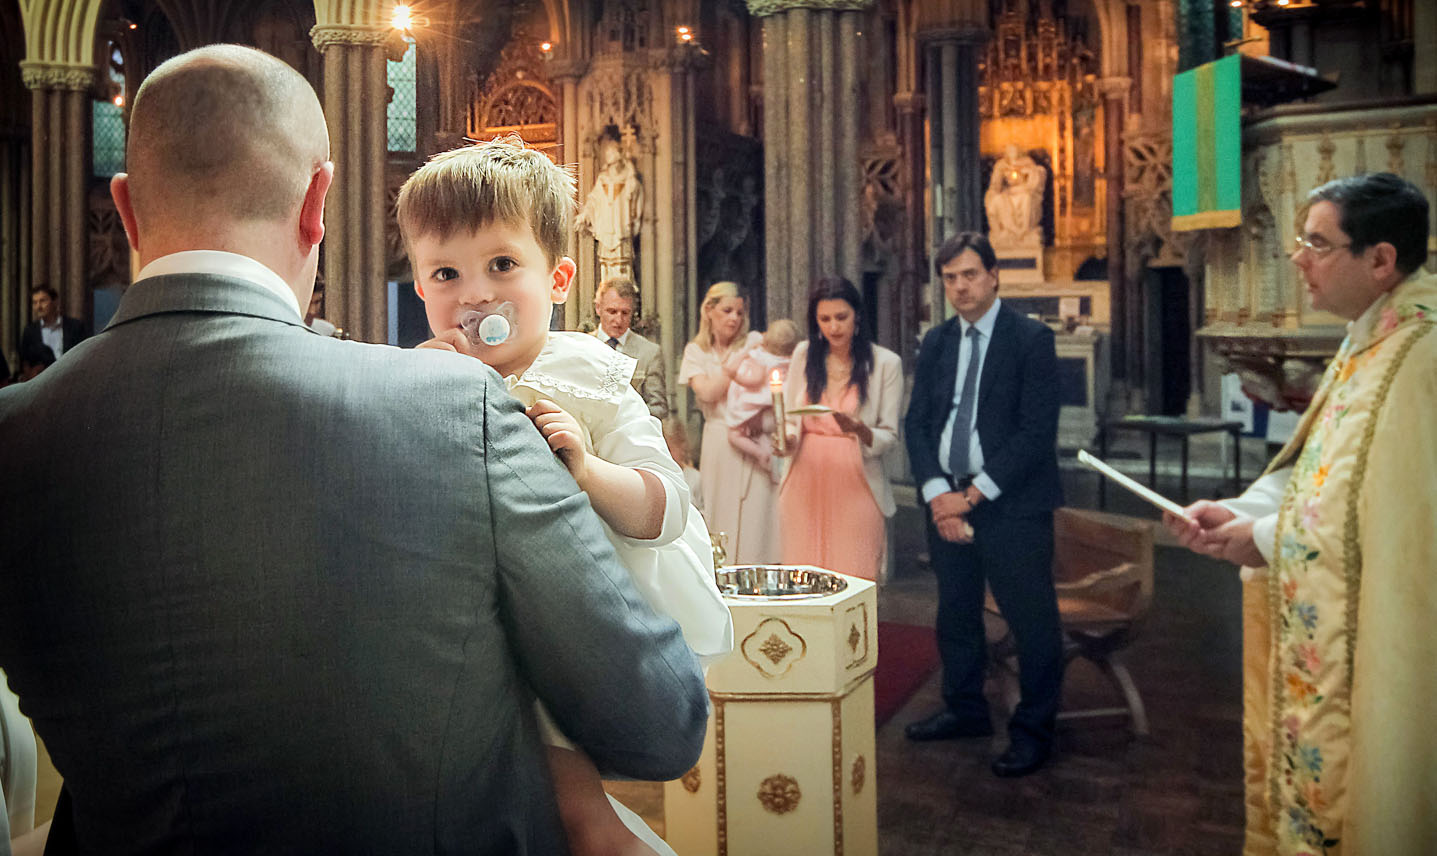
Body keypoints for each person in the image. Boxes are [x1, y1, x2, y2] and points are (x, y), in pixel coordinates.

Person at [0, 45, 708, 855]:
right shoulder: (455, 407)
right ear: (317, 203)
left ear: (126, 210)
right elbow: (659, 722)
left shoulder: (12, 435)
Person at [398, 137, 731, 856]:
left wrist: (585, 469)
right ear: (421, 289)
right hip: (470, 632)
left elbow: (666, 507)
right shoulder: (424, 378)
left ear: (558, 278)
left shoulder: (585, 376)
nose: (476, 293)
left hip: (570, 631)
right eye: (447, 273)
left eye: (503, 265)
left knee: (581, 820)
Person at [1163, 173, 1437, 856]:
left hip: (1382, 652)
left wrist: (1258, 537)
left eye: (1316, 242)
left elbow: (1392, 531)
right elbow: (1318, 472)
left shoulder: (1421, 355)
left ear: (1379, 260)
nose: (1296, 258)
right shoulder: (1365, 337)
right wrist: (1240, 509)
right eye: (1297, 240)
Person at [902, 232, 1064, 778]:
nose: (960, 286)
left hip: (1010, 503)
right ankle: (966, 709)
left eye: (970, 274)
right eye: (950, 277)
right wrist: (936, 496)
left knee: (1032, 619)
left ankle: (1034, 731)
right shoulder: (938, 341)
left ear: (994, 275)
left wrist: (968, 498)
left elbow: (1036, 433)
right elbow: (918, 423)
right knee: (956, 612)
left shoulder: (1030, 340)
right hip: (945, 495)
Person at [775, 279, 902, 581]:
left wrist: (861, 430)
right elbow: (792, 419)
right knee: (802, 573)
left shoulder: (886, 363)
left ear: (857, 316)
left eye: (841, 317)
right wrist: (787, 438)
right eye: (825, 319)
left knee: (853, 572)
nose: (834, 327)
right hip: (805, 476)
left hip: (856, 478)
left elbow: (889, 434)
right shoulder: (804, 355)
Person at [679, 282, 778, 563]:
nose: (734, 318)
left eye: (739, 312)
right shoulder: (696, 351)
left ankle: (756, 572)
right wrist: (734, 366)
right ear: (709, 311)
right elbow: (708, 392)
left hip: (754, 435)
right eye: (726, 311)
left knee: (756, 516)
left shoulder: (753, 343)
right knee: (720, 513)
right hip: (718, 439)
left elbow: (775, 383)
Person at [723, 319, 801, 483]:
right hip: (778, 407)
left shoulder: (763, 360)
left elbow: (753, 380)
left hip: (756, 406)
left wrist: (736, 375)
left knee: (734, 434)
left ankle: (760, 453)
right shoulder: (791, 361)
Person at [593, 277, 668, 419]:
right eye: (612, 311)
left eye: (625, 313)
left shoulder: (649, 353)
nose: (619, 320)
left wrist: (627, 419)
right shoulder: (584, 345)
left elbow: (659, 407)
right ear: (598, 308)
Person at [983, 144, 1047, 247]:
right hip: (1008, 193)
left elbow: (1035, 182)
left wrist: (1027, 173)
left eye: (1015, 151)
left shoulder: (1028, 163)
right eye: (1010, 151)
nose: (1013, 154)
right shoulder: (1001, 165)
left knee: (1026, 198)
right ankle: (1010, 230)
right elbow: (995, 185)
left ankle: (1024, 231)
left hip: (1024, 190)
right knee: (997, 200)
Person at [20, 286, 88, 362]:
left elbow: (83, 355)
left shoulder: (75, 326)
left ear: (55, 302)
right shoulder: (30, 331)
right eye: (35, 303)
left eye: (42, 301)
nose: (38, 307)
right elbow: (25, 361)